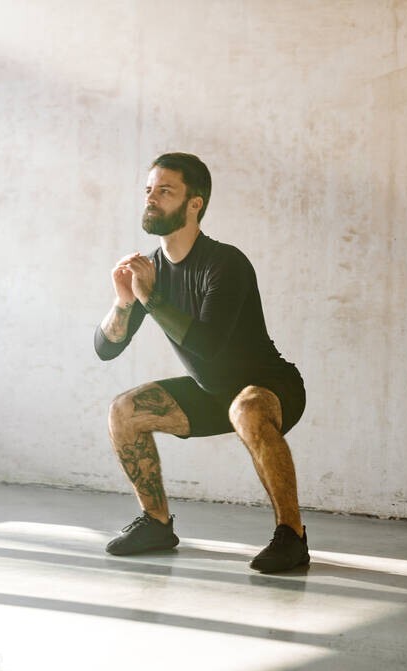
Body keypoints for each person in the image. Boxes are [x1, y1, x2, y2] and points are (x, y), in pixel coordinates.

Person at [94, 152, 309, 573]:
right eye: (149, 190)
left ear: (195, 203)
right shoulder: (150, 271)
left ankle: (292, 536)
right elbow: (106, 348)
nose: (152, 199)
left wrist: (151, 299)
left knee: (245, 408)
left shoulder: (225, 263)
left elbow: (208, 345)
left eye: (166, 191)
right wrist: (124, 301)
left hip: (269, 387)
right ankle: (156, 524)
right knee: (125, 409)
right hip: (212, 391)